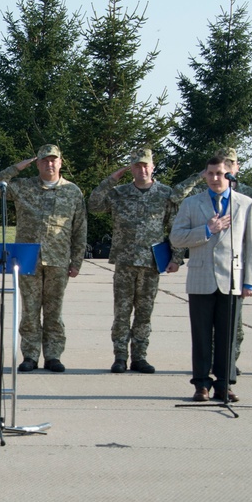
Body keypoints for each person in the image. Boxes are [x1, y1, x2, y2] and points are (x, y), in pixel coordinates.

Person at [0, 144, 87, 372]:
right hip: (27, 259)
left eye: (53, 160)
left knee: (54, 311)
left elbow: (80, 229)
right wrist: (17, 167)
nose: (49, 164)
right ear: (38, 163)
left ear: (60, 163)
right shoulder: (23, 187)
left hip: (58, 261)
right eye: (44, 161)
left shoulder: (72, 192)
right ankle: (30, 356)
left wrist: (77, 262)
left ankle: (53, 355)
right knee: (30, 311)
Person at [170, 155, 252, 402]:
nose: (214, 178)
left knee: (227, 335)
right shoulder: (191, 204)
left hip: (232, 279)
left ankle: (224, 384)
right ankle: (201, 384)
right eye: (210, 174)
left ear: (230, 174)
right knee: (200, 336)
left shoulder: (246, 204)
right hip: (201, 278)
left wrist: (249, 281)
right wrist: (207, 230)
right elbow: (176, 238)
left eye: (219, 173)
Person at [89, 147, 183, 374]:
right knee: (121, 311)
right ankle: (120, 356)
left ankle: (139, 357)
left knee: (144, 312)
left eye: (145, 165)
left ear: (152, 167)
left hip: (151, 262)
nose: (142, 169)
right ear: (131, 168)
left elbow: (175, 227)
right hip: (125, 261)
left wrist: (176, 258)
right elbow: (93, 205)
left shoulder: (165, 194)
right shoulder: (119, 193)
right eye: (137, 166)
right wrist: (111, 180)